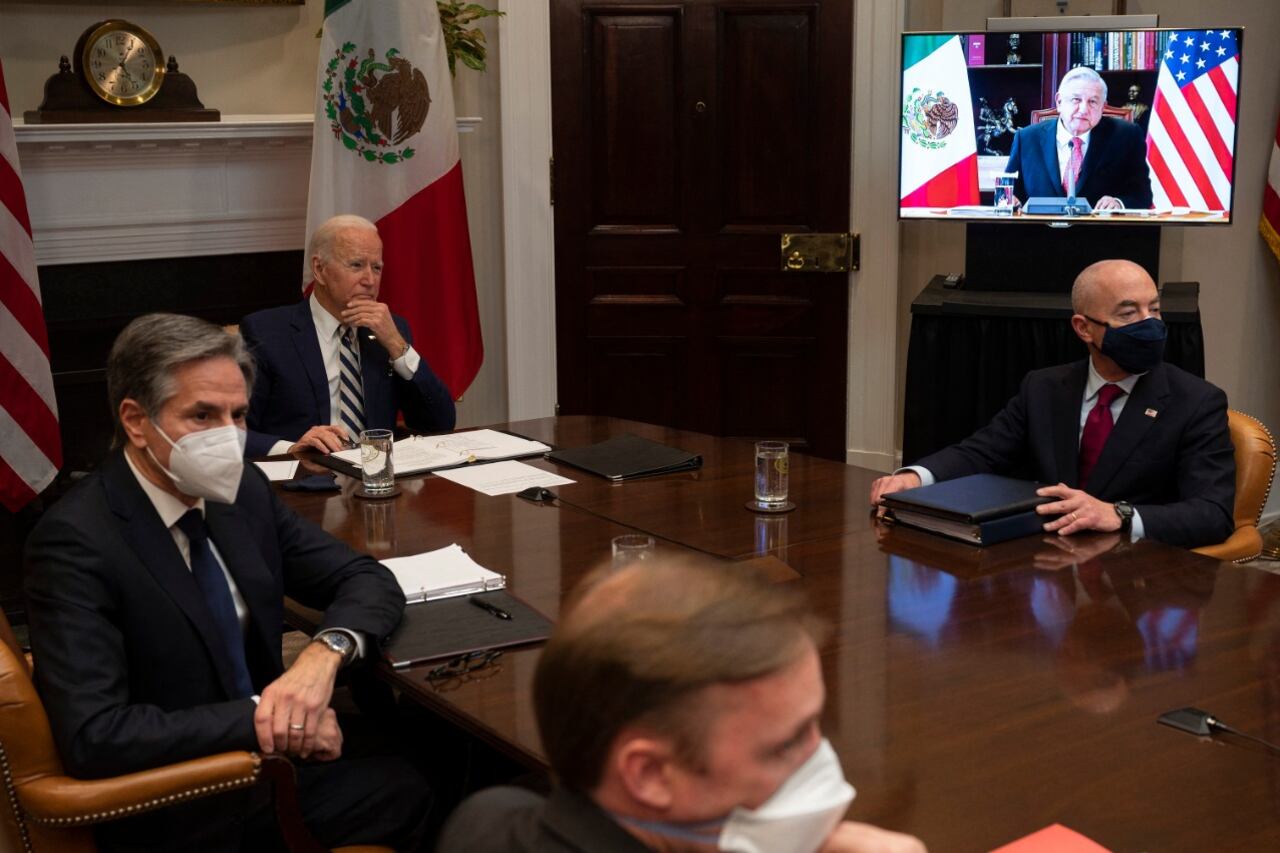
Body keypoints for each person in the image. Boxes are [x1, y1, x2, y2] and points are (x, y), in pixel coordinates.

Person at [24, 313, 429, 851]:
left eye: (238, 415)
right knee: (417, 787)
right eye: (202, 415)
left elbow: (364, 577)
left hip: (273, 753)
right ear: (136, 421)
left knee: (439, 742)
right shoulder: (76, 540)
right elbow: (97, 735)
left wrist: (322, 654)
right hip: (188, 796)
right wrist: (266, 718)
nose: (228, 437)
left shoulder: (242, 492)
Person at [438, 558, 927, 853]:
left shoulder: (486, 817)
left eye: (816, 724)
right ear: (649, 774)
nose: (822, 759)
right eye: (784, 745)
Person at [870, 259, 1235, 549]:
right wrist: (914, 476)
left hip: (1139, 577)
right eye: (1128, 314)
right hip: (1050, 568)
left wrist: (1120, 514)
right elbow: (982, 452)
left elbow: (1212, 514)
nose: (1149, 324)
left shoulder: (1196, 401)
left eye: (1153, 310)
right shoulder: (1045, 388)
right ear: (1083, 328)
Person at [240, 214, 456, 457]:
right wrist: (291, 448)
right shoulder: (267, 332)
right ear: (319, 270)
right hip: (305, 479)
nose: (370, 280)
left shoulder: (391, 330)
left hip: (376, 478)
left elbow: (440, 422)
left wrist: (397, 346)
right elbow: (231, 434)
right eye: (356, 265)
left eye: (376, 268)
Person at [1004, 67, 1153, 210]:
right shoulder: (1027, 139)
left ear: (1103, 107)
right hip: (1040, 232)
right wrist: (1011, 200)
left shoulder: (1126, 136)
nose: (1083, 110)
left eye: (1093, 102)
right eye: (1076, 99)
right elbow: (1008, 191)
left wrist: (1118, 203)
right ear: (1059, 101)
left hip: (1101, 232)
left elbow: (1142, 195)